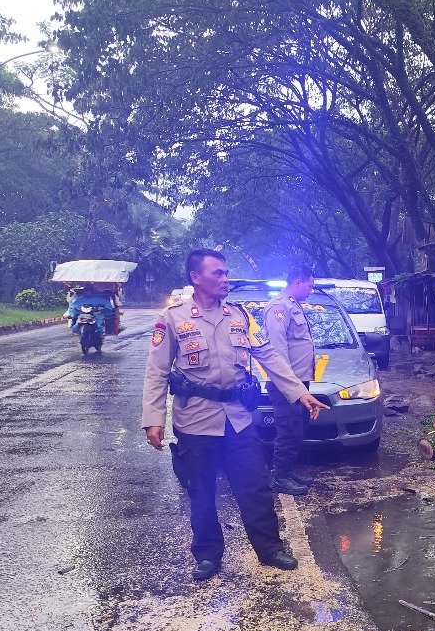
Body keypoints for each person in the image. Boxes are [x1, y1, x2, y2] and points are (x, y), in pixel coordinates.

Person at [141, 249, 328, 582]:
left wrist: (300, 393)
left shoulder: (239, 316)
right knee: (201, 491)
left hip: (238, 420)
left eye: (226, 273)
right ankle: (208, 555)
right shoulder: (173, 320)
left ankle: (269, 549)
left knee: (255, 486)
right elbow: (156, 371)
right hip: (195, 422)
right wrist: (153, 418)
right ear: (196, 278)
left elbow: (269, 355)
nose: (225, 279)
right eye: (218, 274)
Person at [264, 264, 319, 495]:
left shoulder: (294, 305)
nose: (311, 290)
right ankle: (280, 478)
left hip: (298, 383)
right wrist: (290, 386)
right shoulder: (278, 307)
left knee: (297, 429)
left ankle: (288, 471)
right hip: (286, 384)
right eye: (309, 285)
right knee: (288, 431)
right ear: (297, 281)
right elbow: (277, 350)